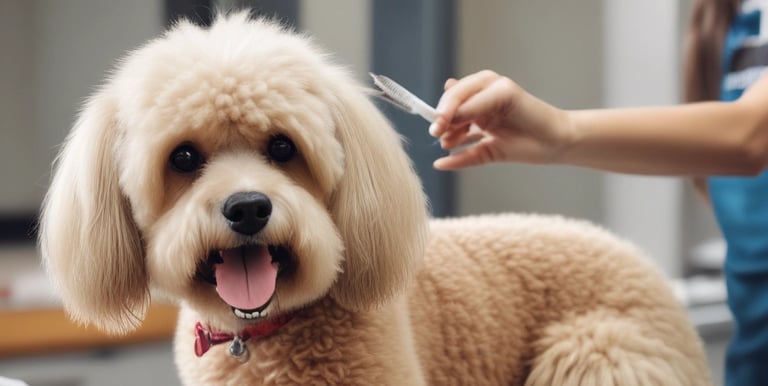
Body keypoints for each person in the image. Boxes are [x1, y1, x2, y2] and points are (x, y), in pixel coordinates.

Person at [429, 1, 768, 385]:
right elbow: (721, 162)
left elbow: (749, 138)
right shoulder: (724, 18)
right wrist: (552, 145)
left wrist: (561, 130)